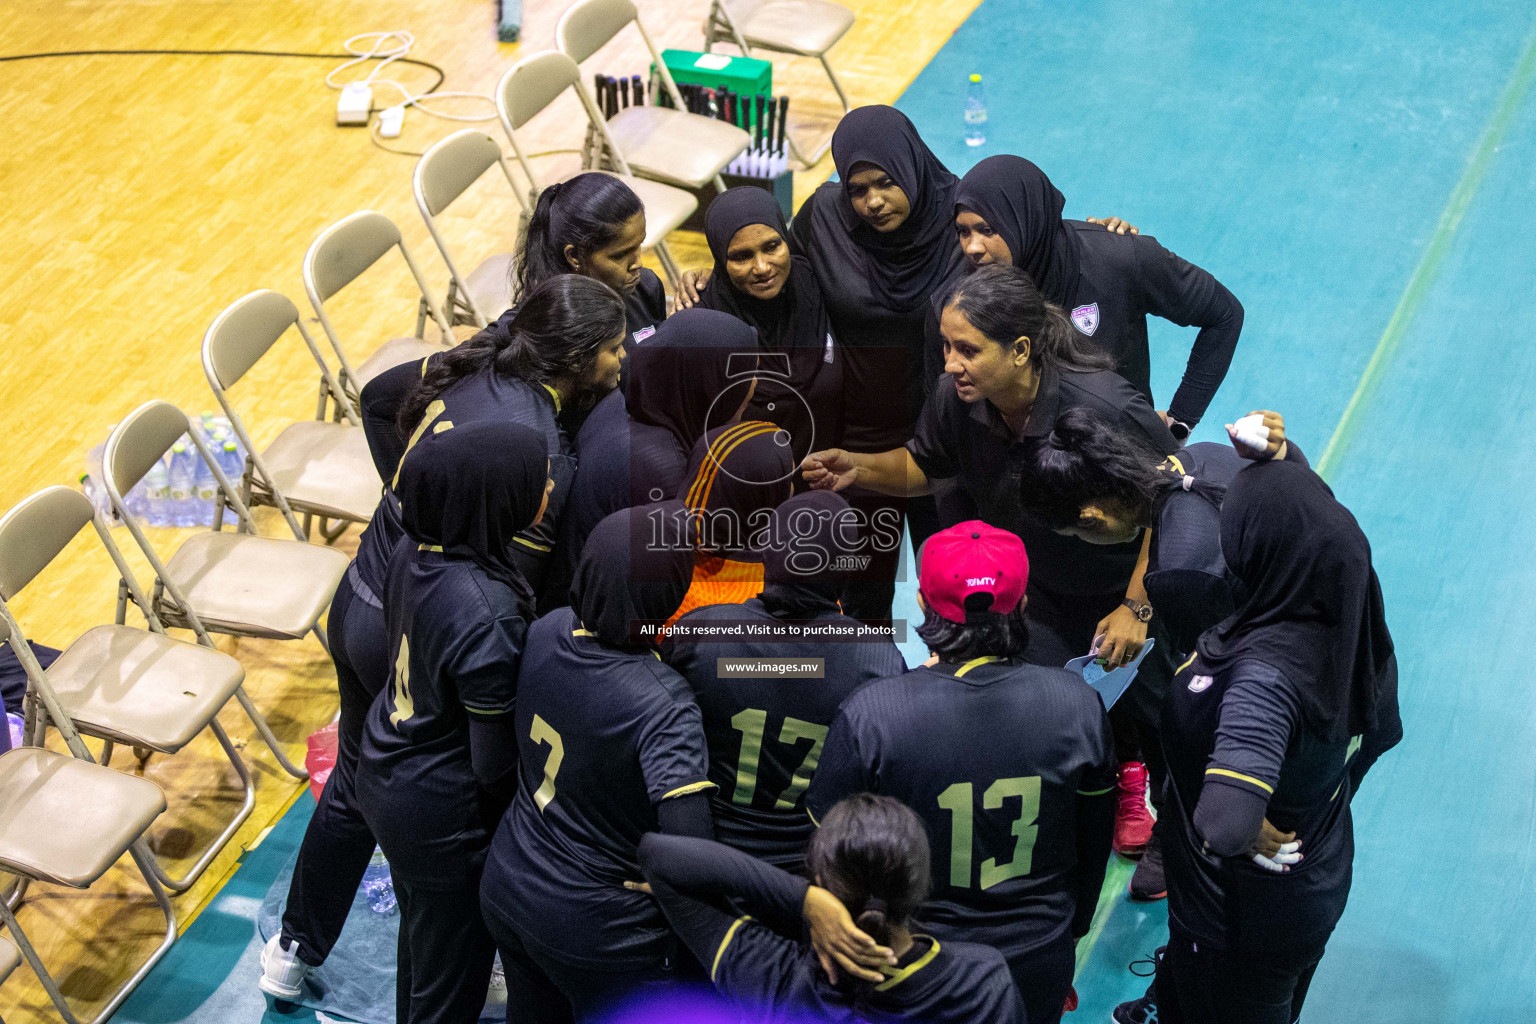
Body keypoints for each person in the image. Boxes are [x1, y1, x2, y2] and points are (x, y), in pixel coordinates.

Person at [258, 275, 625, 1000]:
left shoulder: (482, 358)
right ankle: (448, 957)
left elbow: (373, 399)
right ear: (578, 358)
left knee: (363, 775)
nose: (622, 361)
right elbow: (496, 600)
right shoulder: (535, 451)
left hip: (372, 589)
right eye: (614, 349)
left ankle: (295, 947)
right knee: (439, 802)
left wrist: (414, 491)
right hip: (426, 622)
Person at [806, 522, 1114, 1024]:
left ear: (924, 606)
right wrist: (1071, 928)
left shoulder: (875, 713)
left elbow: (831, 855)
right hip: (1037, 954)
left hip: (916, 962)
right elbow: (1094, 837)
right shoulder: (1078, 703)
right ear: (1023, 604)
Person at [1016, 405, 1303, 904]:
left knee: (1254, 877)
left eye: (1078, 535)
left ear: (1093, 516)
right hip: (1339, 641)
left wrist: (1237, 802)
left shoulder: (1182, 574)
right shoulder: (1201, 459)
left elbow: (1223, 698)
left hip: (1303, 698)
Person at [1150, 459, 1401, 1024]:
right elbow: (1381, 734)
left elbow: (1225, 824)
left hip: (1237, 920)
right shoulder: (1347, 614)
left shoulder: (1264, 676)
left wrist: (1241, 823)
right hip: (1317, 872)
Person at [479, 504, 714, 1023]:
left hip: (510, 882)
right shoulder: (664, 702)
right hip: (599, 930)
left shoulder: (548, 627)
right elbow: (693, 858)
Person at [353, 421, 551, 1024]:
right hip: (440, 816)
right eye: (535, 477)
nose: (548, 485)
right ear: (497, 498)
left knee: (423, 953)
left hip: (388, 766)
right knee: (449, 989)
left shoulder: (418, 550)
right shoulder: (487, 614)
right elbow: (492, 766)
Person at [786, 105, 968, 621]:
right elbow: (777, 274)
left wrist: (1104, 234)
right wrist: (703, 283)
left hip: (944, 434)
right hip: (861, 436)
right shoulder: (825, 216)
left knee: (953, 592)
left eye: (885, 183)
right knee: (859, 595)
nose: (871, 202)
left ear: (910, 165)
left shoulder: (961, 215)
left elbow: (1034, 245)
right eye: (856, 188)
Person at [663, 490, 906, 871]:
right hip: (814, 865)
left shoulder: (700, 632)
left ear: (766, 553)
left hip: (706, 847)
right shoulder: (878, 660)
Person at [633, 793, 1026, 1024]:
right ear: (920, 886)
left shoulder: (777, 981)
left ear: (821, 882)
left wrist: (801, 899)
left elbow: (659, 855)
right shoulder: (985, 983)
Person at [953, 154, 1244, 440]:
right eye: (963, 232)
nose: (972, 247)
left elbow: (1224, 314)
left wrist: (1181, 420)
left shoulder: (1119, 258)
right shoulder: (966, 289)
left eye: (987, 230)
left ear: (1024, 219)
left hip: (1119, 464)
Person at [546, 308, 761, 605]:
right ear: (711, 386)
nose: (754, 386)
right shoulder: (664, 474)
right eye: (747, 376)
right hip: (601, 619)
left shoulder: (633, 399)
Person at [687, 186, 845, 468]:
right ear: (720, 259)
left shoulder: (812, 282)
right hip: (747, 497)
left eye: (772, 247)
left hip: (828, 481)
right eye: (741, 256)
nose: (762, 267)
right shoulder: (703, 328)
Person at [514, 172, 666, 361]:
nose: (638, 263)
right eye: (620, 255)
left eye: (639, 246)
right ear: (575, 256)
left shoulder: (647, 287)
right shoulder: (553, 330)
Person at [666, 420, 796, 627]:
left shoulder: (657, 558)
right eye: (786, 480)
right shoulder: (788, 591)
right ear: (759, 497)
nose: (791, 489)